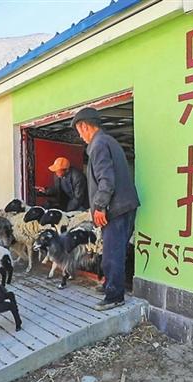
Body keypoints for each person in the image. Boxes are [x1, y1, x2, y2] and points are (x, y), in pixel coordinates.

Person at [71, 107, 139, 311]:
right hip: (124, 205)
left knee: (111, 254)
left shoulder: (98, 144)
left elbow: (106, 179)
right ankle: (111, 284)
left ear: (84, 126)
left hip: (115, 208)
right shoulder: (108, 141)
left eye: (79, 131)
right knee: (116, 250)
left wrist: (100, 206)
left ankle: (115, 296)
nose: (80, 136)